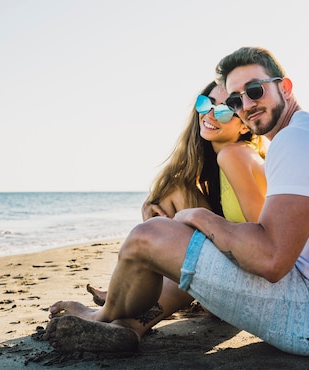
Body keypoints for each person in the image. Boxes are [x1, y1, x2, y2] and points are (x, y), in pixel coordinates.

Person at [45, 46, 309, 359]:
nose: (245, 104)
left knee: (146, 237)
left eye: (255, 90)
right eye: (234, 99)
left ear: (285, 88)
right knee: (167, 237)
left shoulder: (296, 141)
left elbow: (272, 260)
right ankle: (127, 323)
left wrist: (198, 217)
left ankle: (100, 318)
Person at [86, 80, 267, 307]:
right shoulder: (222, 157)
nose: (210, 115)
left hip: (252, 279)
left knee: (176, 201)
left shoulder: (234, 155)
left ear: (244, 126)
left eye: (223, 111)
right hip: (236, 259)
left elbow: (262, 235)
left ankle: (126, 305)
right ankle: (127, 295)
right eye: (206, 104)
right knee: (174, 189)